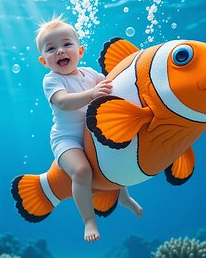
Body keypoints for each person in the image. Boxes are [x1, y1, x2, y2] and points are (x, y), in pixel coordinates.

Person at [36, 15, 143, 242]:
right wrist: (92, 94)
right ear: (44, 61)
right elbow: (64, 102)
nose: (60, 51)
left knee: (116, 153)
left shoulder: (92, 74)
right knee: (82, 171)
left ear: (81, 51)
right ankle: (88, 219)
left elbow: (115, 89)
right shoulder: (51, 80)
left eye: (66, 44)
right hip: (67, 140)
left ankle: (122, 196)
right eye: (51, 48)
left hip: (92, 133)